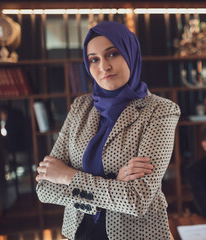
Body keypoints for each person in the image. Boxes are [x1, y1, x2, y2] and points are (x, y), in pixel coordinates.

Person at [35, 21, 180, 240]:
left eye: (112, 54)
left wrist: (67, 175)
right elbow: (45, 188)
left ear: (130, 53)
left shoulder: (160, 111)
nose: (104, 67)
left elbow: (137, 199)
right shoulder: (80, 107)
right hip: (80, 232)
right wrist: (114, 184)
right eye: (94, 59)